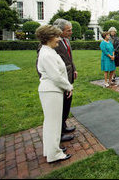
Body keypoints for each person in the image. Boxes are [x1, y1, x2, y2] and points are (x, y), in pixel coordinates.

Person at [36, 25, 72, 163]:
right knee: (53, 124)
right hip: (51, 91)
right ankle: (54, 154)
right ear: (49, 37)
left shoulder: (49, 51)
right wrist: (68, 87)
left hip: (52, 90)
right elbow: (56, 76)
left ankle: (50, 150)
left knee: (51, 123)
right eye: (56, 37)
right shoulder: (46, 54)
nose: (58, 39)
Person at [52, 18, 77, 142]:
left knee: (67, 103)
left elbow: (69, 57)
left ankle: (64, 125)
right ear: (60, 31)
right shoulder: (52, 42)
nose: (71, 32)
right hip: (60, 79)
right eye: (68, 30)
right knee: (60, 105)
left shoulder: (66, 40)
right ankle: (59, 132)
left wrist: (74, 69)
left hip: (69, 76)